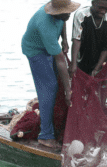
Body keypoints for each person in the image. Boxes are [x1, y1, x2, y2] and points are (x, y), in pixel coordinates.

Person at [22, 0, 79, 148]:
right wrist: (68, 91)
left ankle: (54, 122)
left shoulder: (61, 15)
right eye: (66, 12)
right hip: (35, 51)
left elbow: (62, 22)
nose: (69, 14)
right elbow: (61, 61)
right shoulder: (45, 24)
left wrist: (64, 40)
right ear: (56, 12)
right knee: (49, 87)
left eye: (69, 11)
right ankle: (45, 135)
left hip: (49, 45)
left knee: (59, 80)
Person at [69, 0, 107, 77]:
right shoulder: (81, 14)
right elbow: (76, 39)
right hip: (82, 55)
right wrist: (73, 63)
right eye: (100, 8)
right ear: (93, 3)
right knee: (78, 78)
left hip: (100, 59)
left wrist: (96, 69)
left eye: (106, 9)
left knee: (96, 84)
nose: (103, 11)